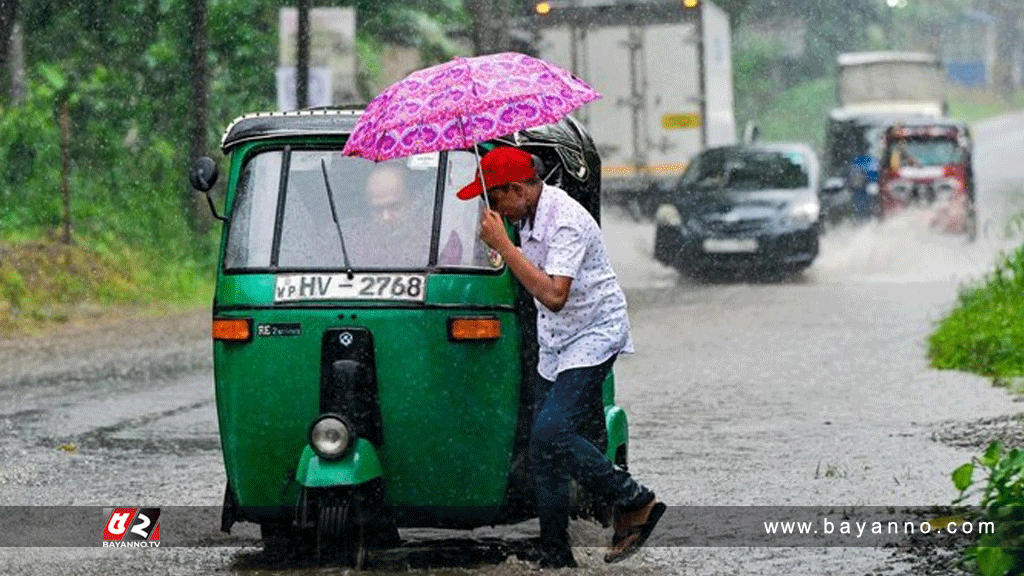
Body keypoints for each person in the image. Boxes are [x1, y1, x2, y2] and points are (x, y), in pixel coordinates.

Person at [456, 146, 665, 567]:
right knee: (543, 450)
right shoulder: (525, 215)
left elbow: (554, 294)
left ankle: (635, 501)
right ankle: (555, 553)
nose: (490, 209)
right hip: (556, 341)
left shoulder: (565, 219)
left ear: (516, 190)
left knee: (552, 434)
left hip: (593, 333)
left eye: (492, 199)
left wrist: (503, 243)